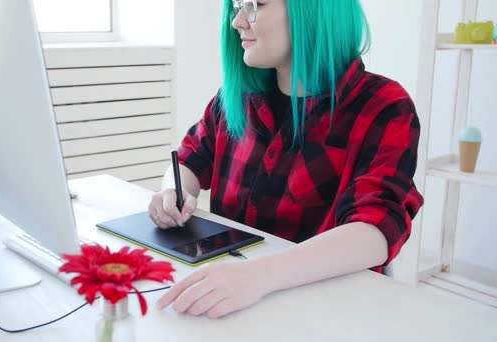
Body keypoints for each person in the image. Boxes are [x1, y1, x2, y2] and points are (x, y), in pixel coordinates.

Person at [149, 0, 424, 319]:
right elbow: (188, 160)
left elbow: (375, 231)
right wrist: (173, 191)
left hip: (328, 312)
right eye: (237, 6)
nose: (237, 22)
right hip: (234, 298)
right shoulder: (234, 99)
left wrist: (256, 277)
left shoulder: (384, 105)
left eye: (255, 5)